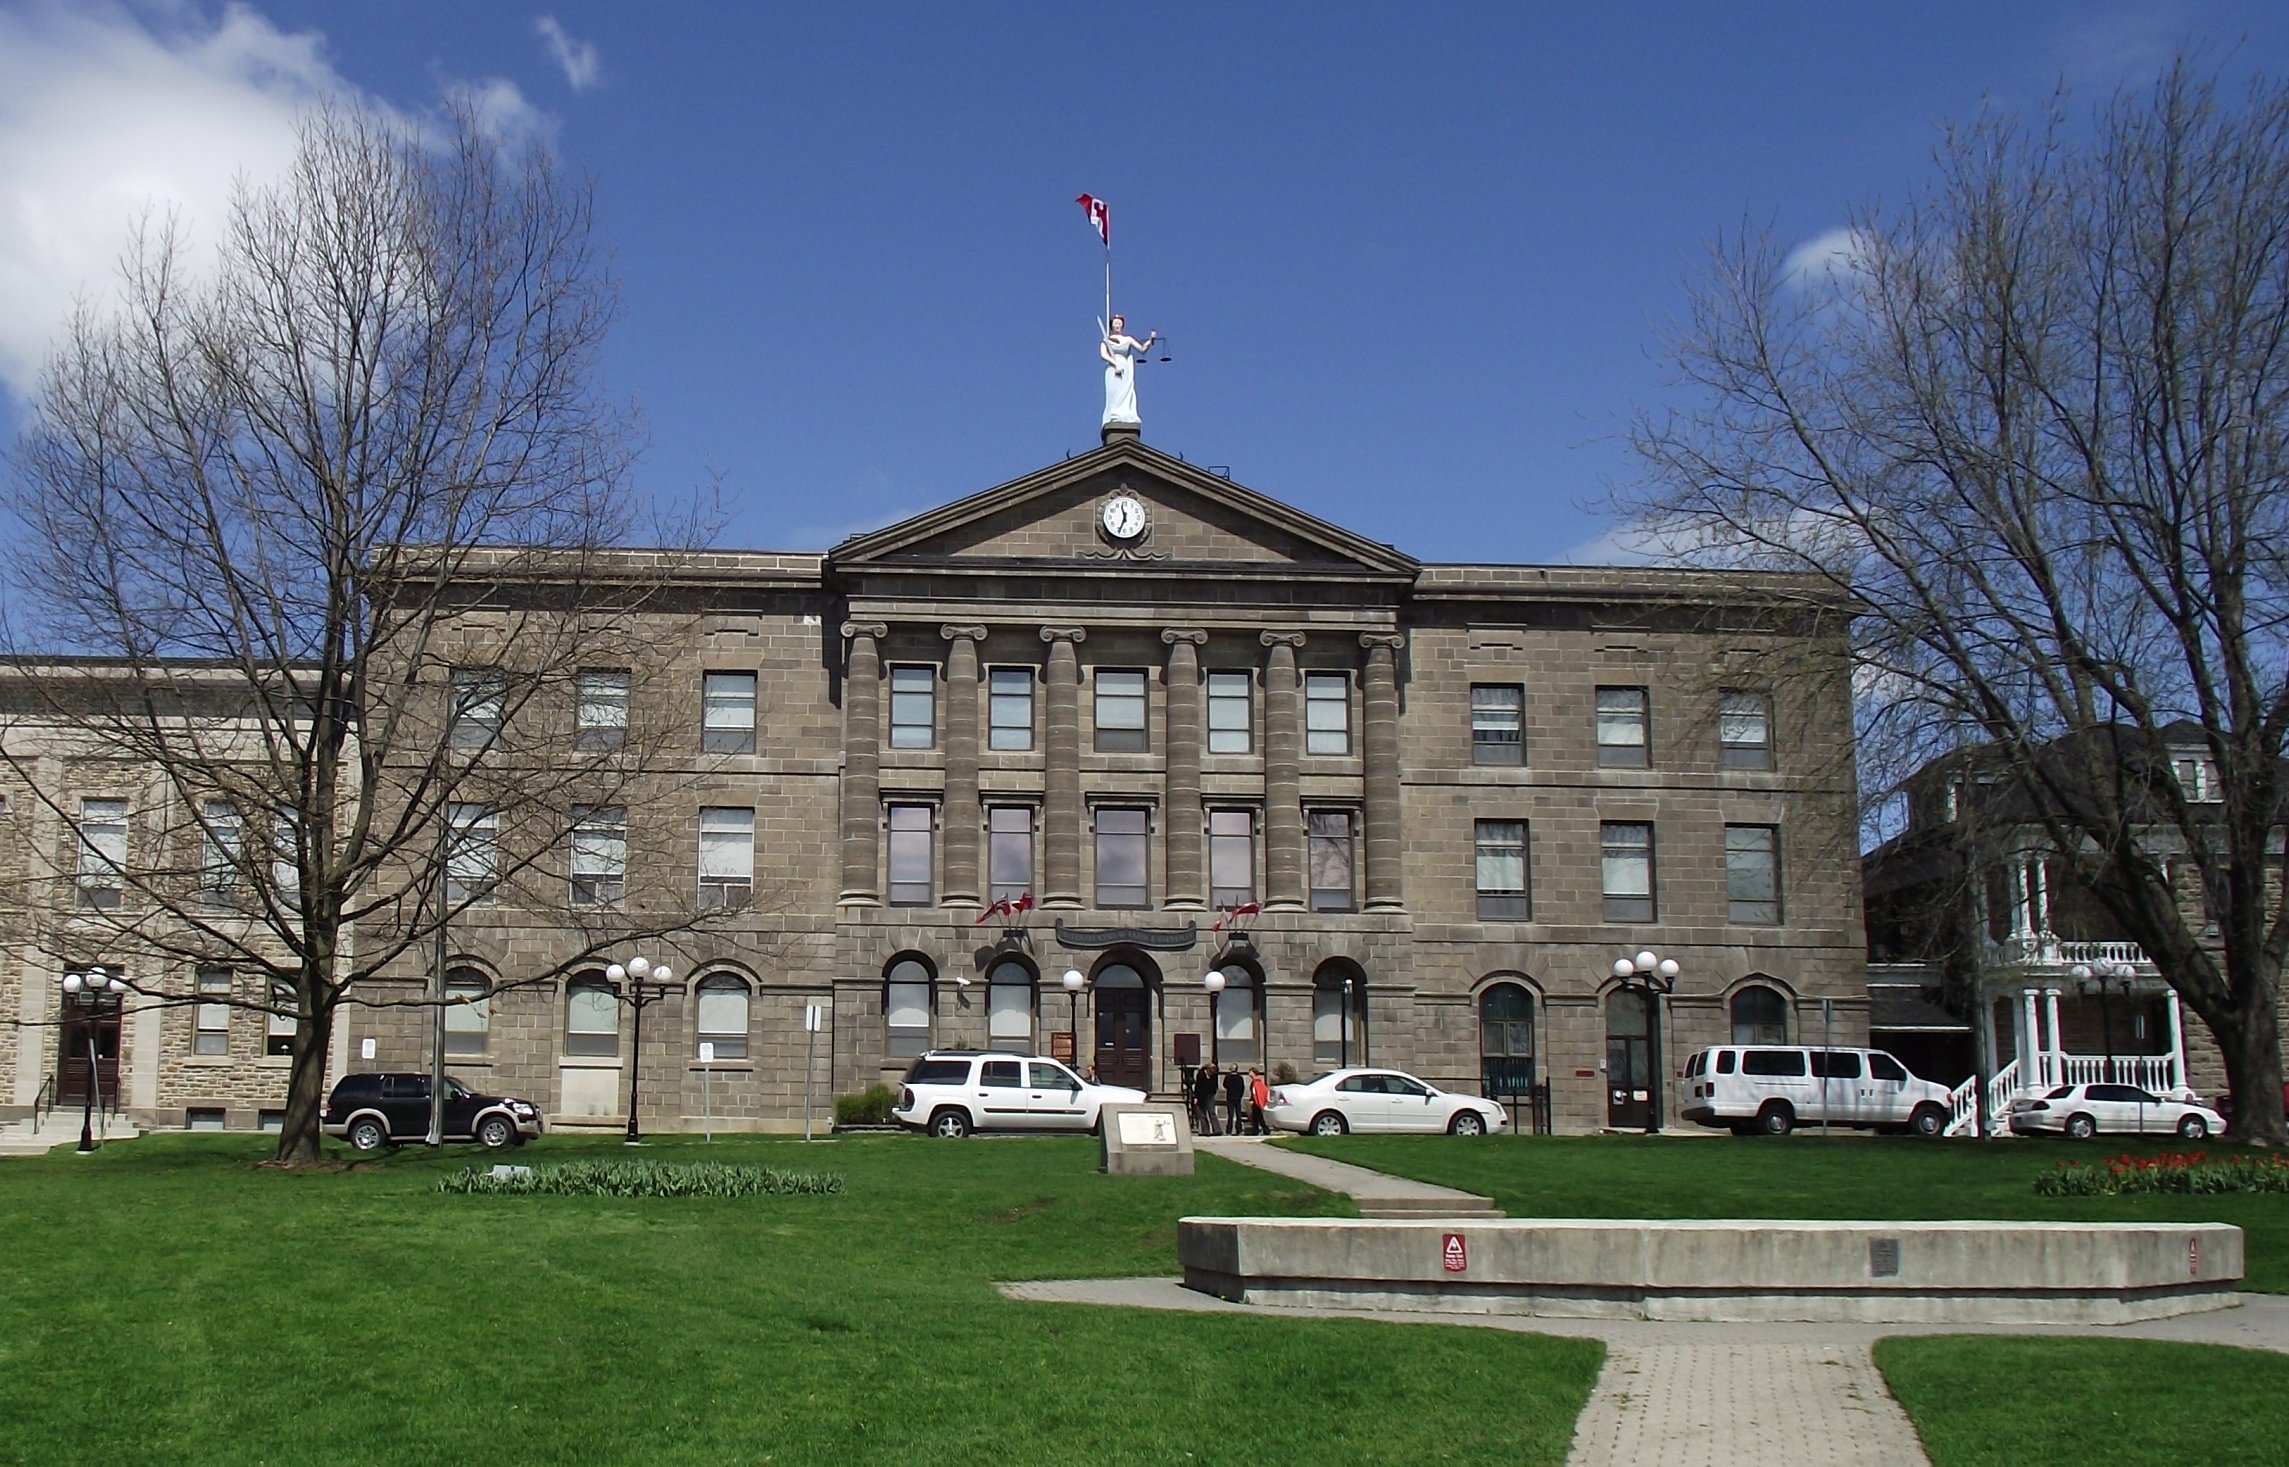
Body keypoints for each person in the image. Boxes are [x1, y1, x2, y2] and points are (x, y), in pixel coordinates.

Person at [1100, 313, 1157, 427]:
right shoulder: (1107, 340)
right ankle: (1113, 415)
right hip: (1113, 369)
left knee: (1125, 391)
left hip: (1125, 368)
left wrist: (1150, 340)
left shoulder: (1128, 339)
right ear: (1111, 326)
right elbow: (1103, 354)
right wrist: (1115, 363)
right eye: (1115, 323)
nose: (1117, 325)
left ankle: (1126, 414)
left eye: (1119, 323)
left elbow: (1142, 349)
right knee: (1114, 393)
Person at [1191, 1060, 1220, 1135]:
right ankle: (1205, 1131)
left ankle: (1217, 1130)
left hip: (1210, 1095)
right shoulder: (1201, 1074)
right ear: (1207, 1070)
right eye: (1210, 1071)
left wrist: (1213, 1092)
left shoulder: (1214, 1075)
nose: (1211, 1073)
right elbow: (1198, 1086)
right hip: (1201, 1096)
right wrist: (1196, 1097)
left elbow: (1215, 1086)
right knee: (1202, 1113)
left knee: (1212, 1112)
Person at [1223, 1064, 1247, 1135]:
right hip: (1237, 1097)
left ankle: (1229, 1130)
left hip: (1230, 1097)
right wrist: (1240, 1095)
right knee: (1238, 1114)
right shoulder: (1240, 1078)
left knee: (1230, 1114)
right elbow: (1242, 1087)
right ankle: (1238, 1129)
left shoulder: (1228, 1077)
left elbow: (1225, 1085)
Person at [1250, 1067, 1272, 1134]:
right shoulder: (1256, 1081)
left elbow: (1256, 1092)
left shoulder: (1256, 1082)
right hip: (1255, 1101)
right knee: (1256, 1117)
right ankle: (1256, 1130)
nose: (1249, 1073)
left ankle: (1265, 1130)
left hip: (1256, 1102)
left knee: (1258, 1116)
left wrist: (1254, 1099)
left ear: (1254, 1073)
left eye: (1250, 1072)